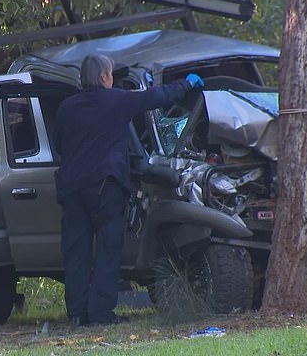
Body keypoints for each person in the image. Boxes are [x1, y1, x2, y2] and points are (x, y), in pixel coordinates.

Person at [53, 53, 203, 326]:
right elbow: (156, 97)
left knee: (77, 253)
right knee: (109, 251)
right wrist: (187, 84)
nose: (112, 79)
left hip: (72, 191)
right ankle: (100, 315)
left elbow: (59, 146)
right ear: (103, 78)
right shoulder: (117, 100)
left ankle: (76, 314)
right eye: (110, 74)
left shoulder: (66, 108)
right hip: (104, 188)